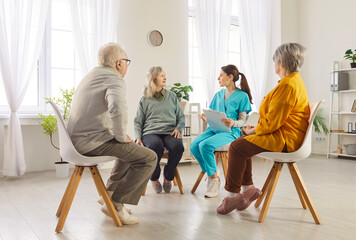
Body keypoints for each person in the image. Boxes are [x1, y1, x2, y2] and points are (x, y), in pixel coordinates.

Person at [67, 42, 156, 224]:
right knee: (149, 158)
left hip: (75, 142)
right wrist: (121, 136)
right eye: (127, 61)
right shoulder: (114, 78)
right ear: (118, 63)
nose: (127, 66)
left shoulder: (91, 75)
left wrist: (121, 138)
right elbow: (117, 108)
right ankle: (116, 202)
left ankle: (108, 194)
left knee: (127, 149)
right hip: (90, 143)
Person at [217, 43, 309, 214]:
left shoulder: (288, 85)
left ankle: (232, 196)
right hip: (283, 134)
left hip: (285, 140)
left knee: (237, 146)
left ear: (282, 63)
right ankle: (248, 189)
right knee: (242, 142)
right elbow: (276, 119)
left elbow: (272, 123)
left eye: (275, 61)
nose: (275, 64)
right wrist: (254, 129)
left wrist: (252, 130)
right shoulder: (292, 82)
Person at [190, 64, 253, 198]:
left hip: (230, 132)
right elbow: (212, 113)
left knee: (205, 146)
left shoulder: (242, 96)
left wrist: (233, 122)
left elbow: (243, 121)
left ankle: (213, 179)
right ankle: (212, 171)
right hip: (213, 129)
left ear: (230, 77)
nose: (218, 78)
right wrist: (205, 116)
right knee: (194, 146)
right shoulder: (218, 95)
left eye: (221, 75)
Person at [134, 66, 185, 193]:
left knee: (178, 146)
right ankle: (154, 177)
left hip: (169, 131)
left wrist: (179, 128)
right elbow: (138, 121)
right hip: (150, 132)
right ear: (153, 78)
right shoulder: (145, 99)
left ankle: (168, 177)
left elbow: (181, 117)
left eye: (164, 75)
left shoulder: (172, 96)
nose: (165, 78)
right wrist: (138, 137)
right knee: (155, 146)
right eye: (161, 75)